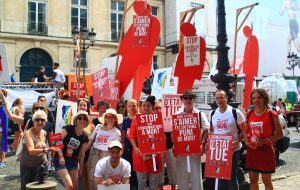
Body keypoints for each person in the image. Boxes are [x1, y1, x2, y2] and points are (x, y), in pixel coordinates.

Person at [243, 89, 283, 190]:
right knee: (252, 179)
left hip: (266, 150)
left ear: (264, 99)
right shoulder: (249, 114)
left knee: (266, 180)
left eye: (259, 98)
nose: (256, 100)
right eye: (253, 98)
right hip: (253, 150)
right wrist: (247, 142)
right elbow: (244, 131)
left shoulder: (272, 114)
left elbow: (279, 134)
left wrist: (266, 140)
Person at [209, 89, 246, 190]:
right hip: (219, 151)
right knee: (220, 176)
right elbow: (211, 132)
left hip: (233, 150)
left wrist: (237, 141)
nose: (219, 100)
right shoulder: (212, 114)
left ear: (226, 98)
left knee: (231, 178)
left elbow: (244, 131)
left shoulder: (235, 112)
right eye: (217, 98)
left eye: (221, 97)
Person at [174, 90, 209, 190]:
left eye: (190, 98)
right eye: (186, 98)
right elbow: (174, 132)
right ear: (182, 100)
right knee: (182, 174)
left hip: (195, 147)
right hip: (181, 148)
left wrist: (202, 144)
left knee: (196, 173)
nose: (188, 100)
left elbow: (206, 130)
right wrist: (174, 145)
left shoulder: (200, 114)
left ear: (194, 100)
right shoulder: (177, 114)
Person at [128, 95, 163, 190]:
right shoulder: (136, 119)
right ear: (141, 106)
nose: (145, 107)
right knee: (141, 183)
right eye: (144, 105)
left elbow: (161, 137)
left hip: (155, 156)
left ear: (152, 107)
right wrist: (135, 147)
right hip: (140, 156)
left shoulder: (158, 118)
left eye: (148, 105)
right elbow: (131, 136)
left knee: (153, 183)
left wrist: (158, 150)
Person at [20, 110, 57, 190]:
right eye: (37, 119)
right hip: (28, 167)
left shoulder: (44, 132)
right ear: (33, 121)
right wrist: (47, 150)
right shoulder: (28, 133)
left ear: (45, 122)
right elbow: (31, 151)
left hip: (42, 166)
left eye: (42, 120)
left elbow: (50, 145)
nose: (40, 122)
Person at [86, 108, 122, 190]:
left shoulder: (117, 132)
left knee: (104, 179)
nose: (110, 119)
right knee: (91, 178)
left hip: (106, 156)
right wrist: (83, 152)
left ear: (115, 120)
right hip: (94, 154)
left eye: (112, 117)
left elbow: (116, 149)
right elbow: (91, 140)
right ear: (105, 118)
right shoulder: (98, 126)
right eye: (108, 117)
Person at [53, 111, 89, 190]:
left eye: (84, 119)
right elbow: (57, 139)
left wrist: (81, 168)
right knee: (69, 186)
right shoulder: (68, 128)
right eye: (80, 118)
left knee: (75, 188)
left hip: (72, 161)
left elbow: (82, 154)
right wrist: (61, 156)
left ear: (86, 122)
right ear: (76, 120)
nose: (82, 120)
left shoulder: (85, 137)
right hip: (60, 159)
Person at [154, 100, 177, 190]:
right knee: (160, 172)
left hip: (170, 148)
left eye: (160, 108)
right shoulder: (152, 120)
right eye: (156, 108)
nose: (158, 110)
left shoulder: (169, 118)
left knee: (172, 170)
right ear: (153, 110)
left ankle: (173, 188)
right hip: (158, 150)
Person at [121, 99, 138, 190]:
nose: (132, 108)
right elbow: (123, 134)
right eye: (129, 106)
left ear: (137, 106)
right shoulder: (125, 120)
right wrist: (122, 146)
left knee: (137, 175)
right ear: (127, 107)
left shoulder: (141, 119)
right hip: (127, 151)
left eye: (134, 105)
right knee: (127, 172)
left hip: (138, 151)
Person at [77, 98, 93, 190]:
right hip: (73, 152)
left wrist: (83, 150)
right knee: (74, 175)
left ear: (87, 108)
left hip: (86, 152)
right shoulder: (72, 119)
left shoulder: (91, 122)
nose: (82, 107)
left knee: (84, 175)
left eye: (84, 105)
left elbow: (91, 139)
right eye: (81, 105)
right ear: (77, 106)